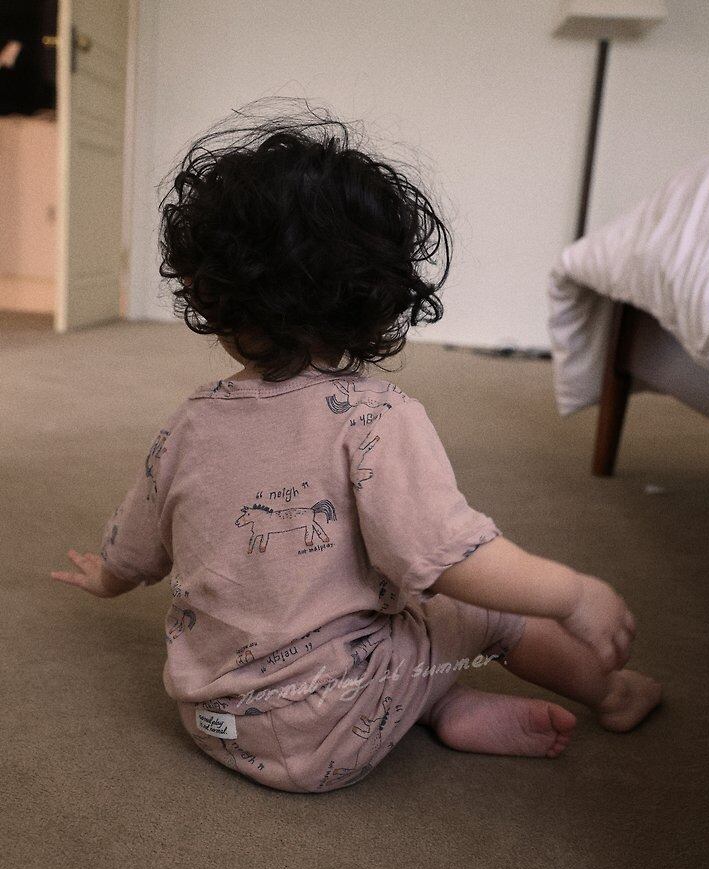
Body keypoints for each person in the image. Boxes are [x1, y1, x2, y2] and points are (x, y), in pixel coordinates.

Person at [50, 99, 661, 793]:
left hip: (213, 721)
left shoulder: (188, 424)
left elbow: (136, 546)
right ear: (377, 297)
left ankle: (438, 703)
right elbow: (451, 560)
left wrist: (106, 577)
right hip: (331, 726)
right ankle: (609, 694)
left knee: (392, 615)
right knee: (487, 612)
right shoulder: (376, 418)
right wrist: (572, 594)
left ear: (210, 294)